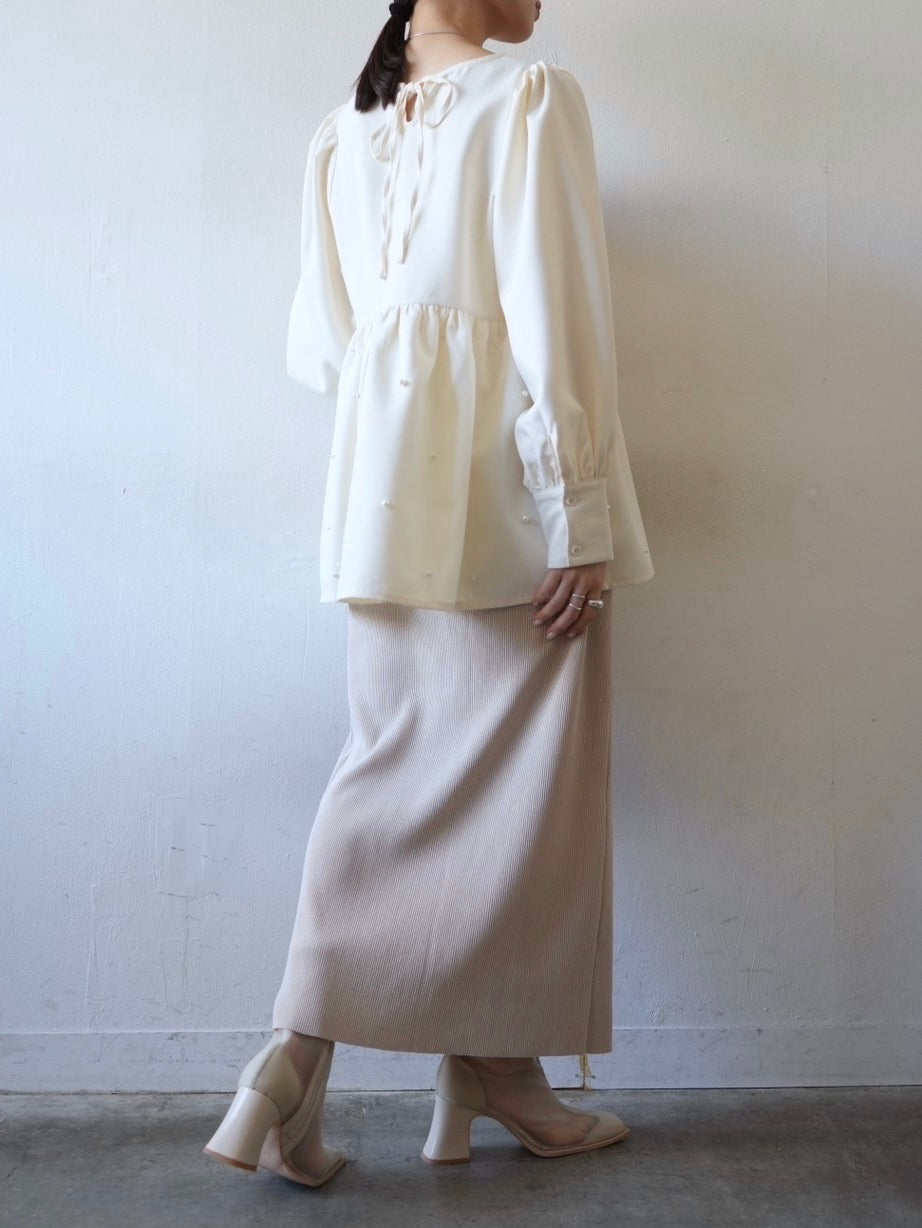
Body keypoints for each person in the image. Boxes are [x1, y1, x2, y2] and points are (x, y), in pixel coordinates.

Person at [203, 0, 654, 1187]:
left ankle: (445, 1068)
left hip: (384, 497)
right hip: (513, 497)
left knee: (392, 761)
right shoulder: (528, 98)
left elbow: (325, 346)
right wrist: (577, 505)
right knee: (531, 797)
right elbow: (558, 316)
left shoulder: (343, 130)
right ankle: (346, 1046)